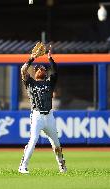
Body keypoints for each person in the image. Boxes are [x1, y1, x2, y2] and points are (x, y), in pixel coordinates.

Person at [18, 45, 67, 174]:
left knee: (56, 144)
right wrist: (31, 59)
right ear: (35, 72)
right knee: (33, 140)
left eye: (43, 69)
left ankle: (62, 165)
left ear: (45, 72)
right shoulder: (30, 83)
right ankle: (23, 166)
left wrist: (50, 58)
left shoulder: (49, 82)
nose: (40, 70)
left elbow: (55, 71)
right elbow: (23, 70)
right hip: (37, 116)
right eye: (38, 69)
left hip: (49, 116)